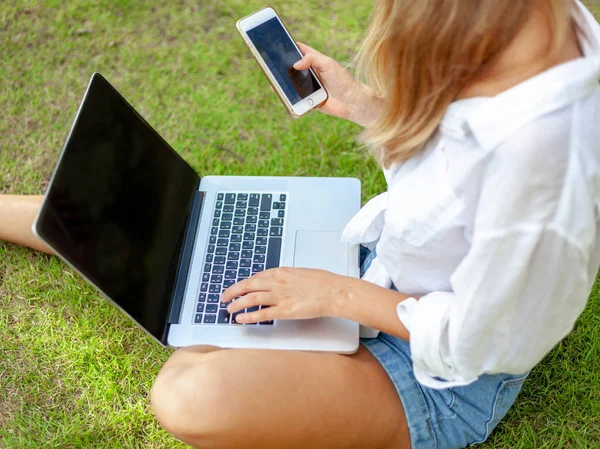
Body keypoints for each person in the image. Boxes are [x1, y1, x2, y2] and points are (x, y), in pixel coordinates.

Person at [2, 0, 599, 448]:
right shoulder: (526, 29)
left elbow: (482, 340)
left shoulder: (547, 176)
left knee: (187, 392)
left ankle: (220, 311)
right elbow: (454, 172)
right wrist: (366, 105)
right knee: (169, 232)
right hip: (385, 277)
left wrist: (334, 292)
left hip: (436, 374)